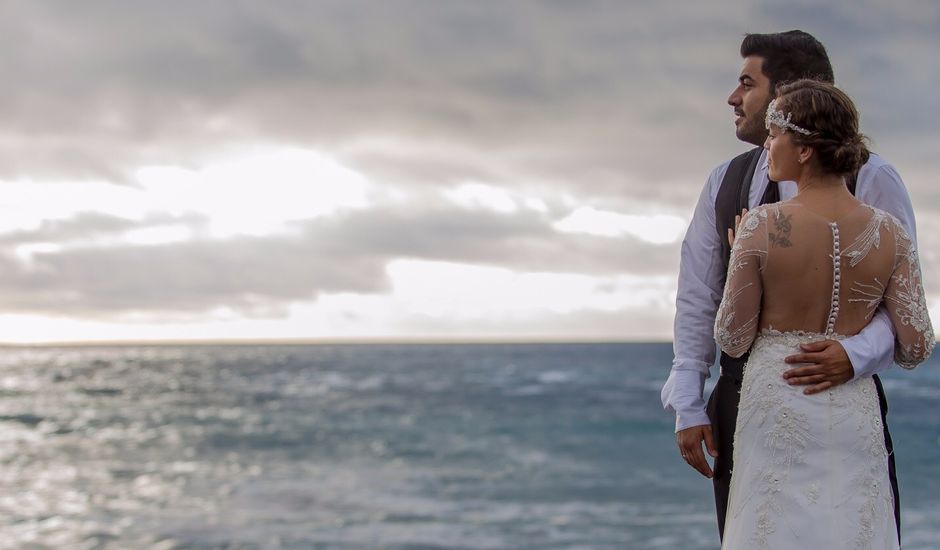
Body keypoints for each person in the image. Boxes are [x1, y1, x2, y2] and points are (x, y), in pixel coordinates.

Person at [660, 30, 918, 540]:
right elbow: (697, 293)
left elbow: (900, 295)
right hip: (747, 403)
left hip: (843, 395)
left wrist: (855, 354)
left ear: (789, 96)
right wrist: (689, 401)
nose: (734, 99)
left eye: (746, 83)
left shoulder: (875, 177)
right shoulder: (723, 180)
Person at [715, 79, 933, 548]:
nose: (767, 145)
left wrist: (741, 259)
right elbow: (916, 346)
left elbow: (732, 338)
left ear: (805, 149)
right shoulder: (890, 232)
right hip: (853, 410)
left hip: (777, 404)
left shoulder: (761, 226)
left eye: (774, 135)